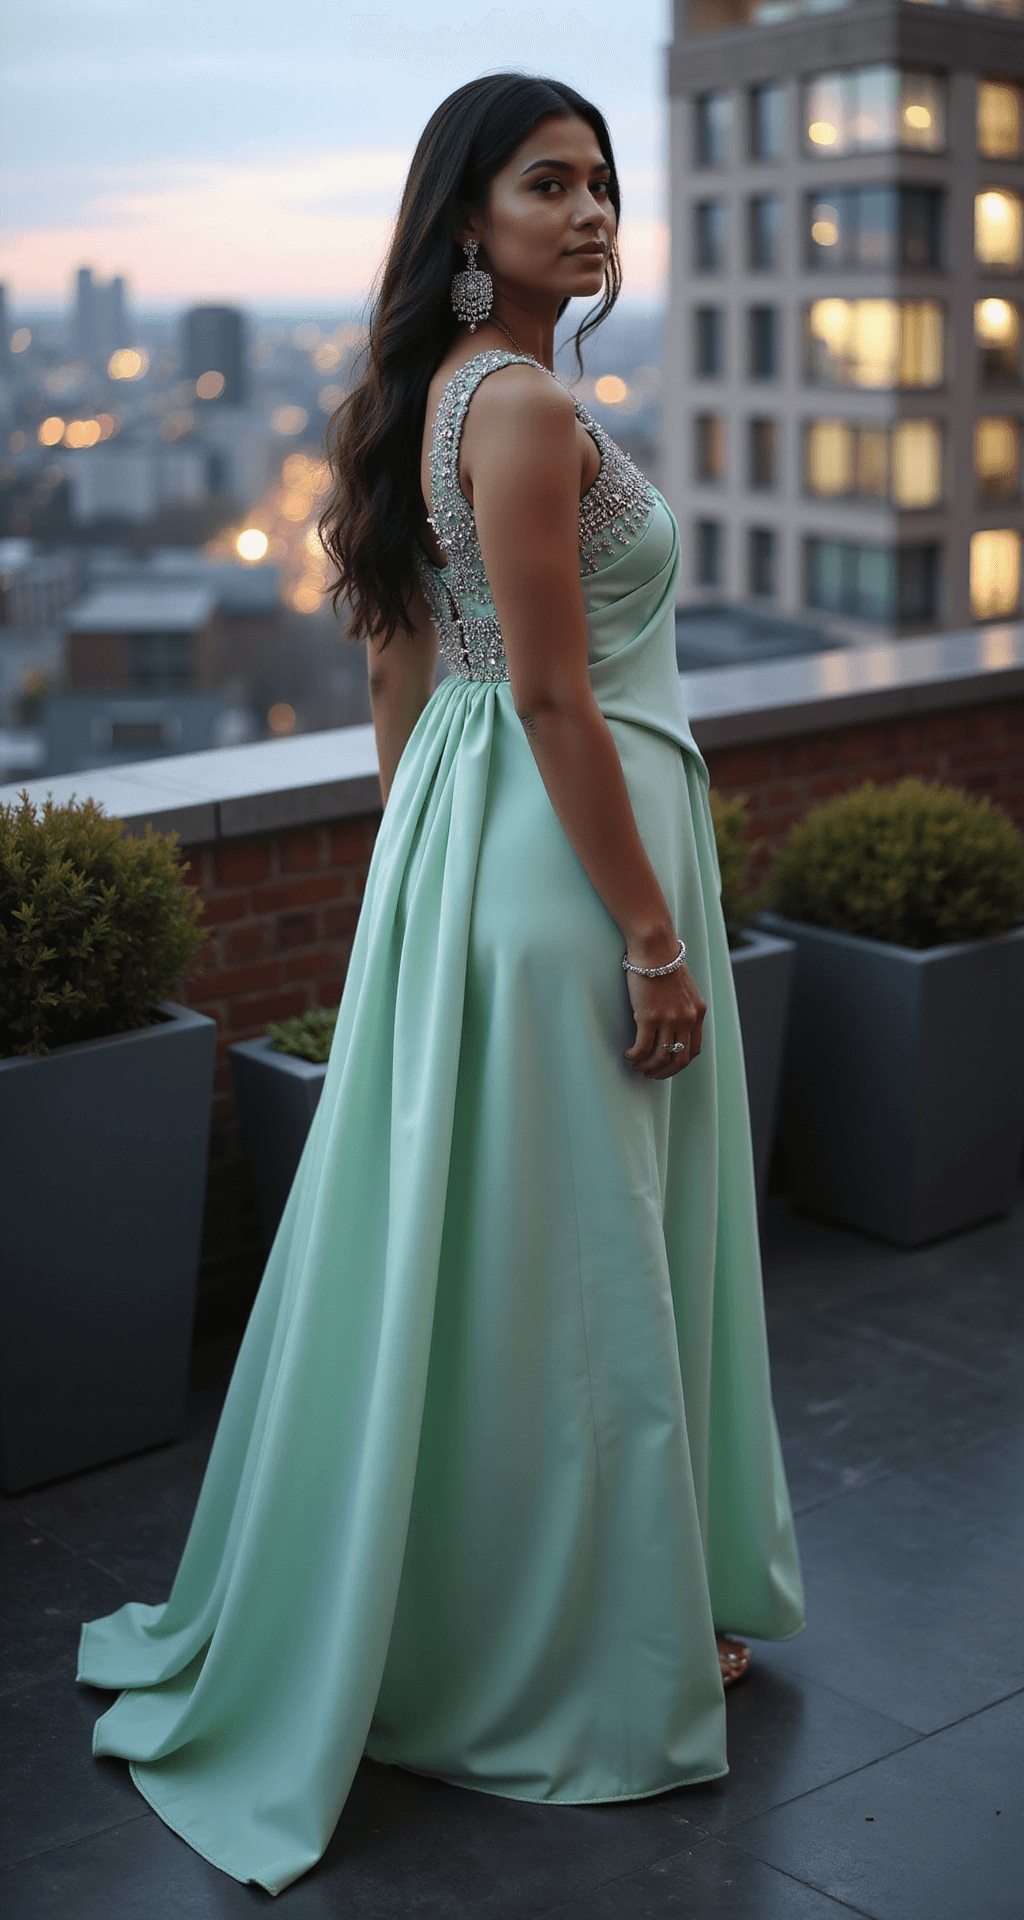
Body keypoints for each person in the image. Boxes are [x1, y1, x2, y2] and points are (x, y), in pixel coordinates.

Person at [77, 73, 804, 1896]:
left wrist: (423, 886)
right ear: (464, 216)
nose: (590, 213)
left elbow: (408, 692)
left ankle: (475, 1613)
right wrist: (647, 931)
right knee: (584, 1272)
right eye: (546, 182)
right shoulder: (531, 403)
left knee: (484, 1259)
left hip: (483, 865)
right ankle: (589, 1656)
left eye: (603, 183)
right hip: (577, 868)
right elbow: (555, 695)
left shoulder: (419, 401)